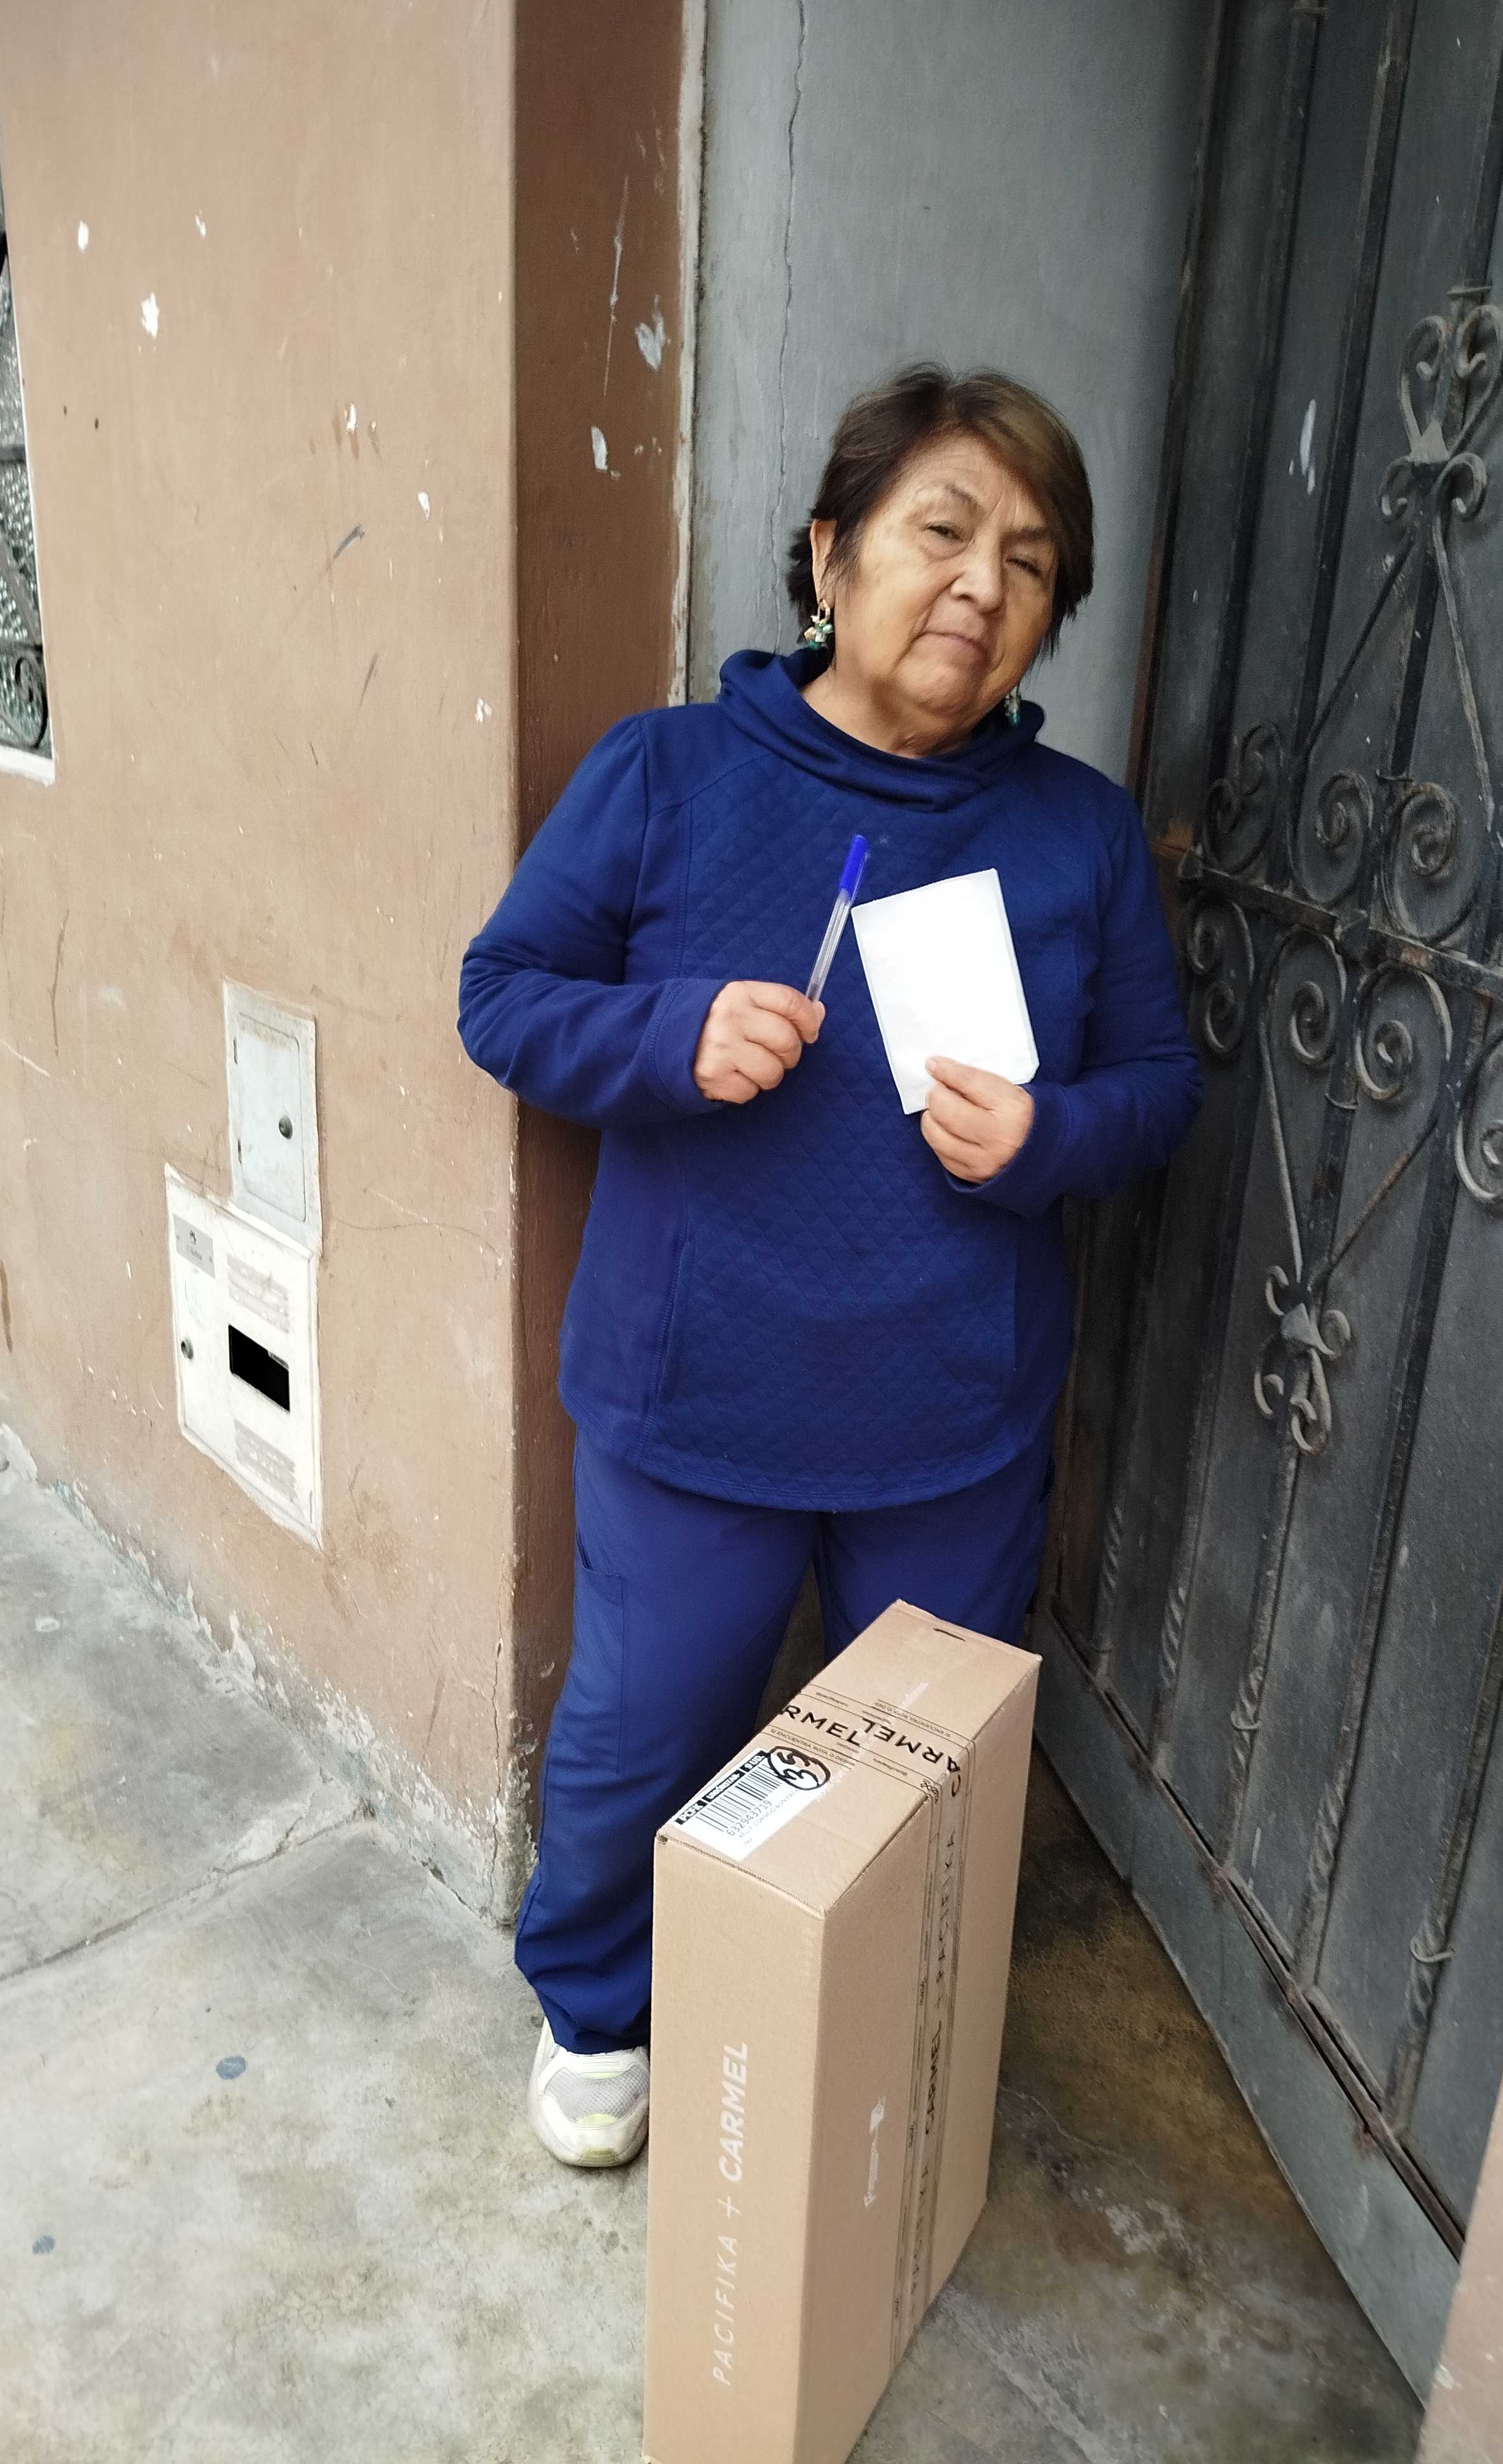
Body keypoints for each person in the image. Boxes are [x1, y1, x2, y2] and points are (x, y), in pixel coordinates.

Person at [458, 364, 1201, 2167]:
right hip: (693, 1390)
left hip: (950, 1409)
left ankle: (869, 2043)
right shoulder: (667, 772)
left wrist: (1052, 1139)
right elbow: (502, 995)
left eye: (1031, 561)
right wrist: (669, 1036)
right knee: (649, 1726)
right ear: (830, 553)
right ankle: (599, 2004)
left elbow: (1161, 1086)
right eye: (942, 531)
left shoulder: (1077, 832)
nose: (981, 585)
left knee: (907, 1774)